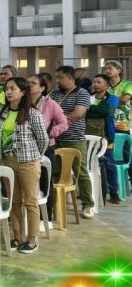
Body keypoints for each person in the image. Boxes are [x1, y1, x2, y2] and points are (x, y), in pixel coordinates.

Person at [0, 77, 49, 254]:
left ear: (23, 91)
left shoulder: (32, 113)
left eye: (12, 88)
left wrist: (35, 157)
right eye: (7, 88)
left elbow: (43, 139)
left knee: (31, 201)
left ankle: (32, 239)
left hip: (28, 162)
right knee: (14, 201)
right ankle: (17, 236)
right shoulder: (4, 111)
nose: (8, 92)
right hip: (7, 161)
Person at [49, 66, 94, 219]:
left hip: (75, 140)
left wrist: (58, 121)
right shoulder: (53, 94)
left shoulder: (82, 93)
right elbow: (46, 114)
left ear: (70, 78)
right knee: (55, 173)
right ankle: (54, 203)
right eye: (56, 77)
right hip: (55, 140)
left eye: (60, 77)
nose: (57, 80)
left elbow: (77, 114)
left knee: (81, 173)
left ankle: (88, 205)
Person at [29, 73, 68, 227]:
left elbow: (63, 123)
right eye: (27, 82)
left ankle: (46, 219)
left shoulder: (50, 104)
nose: (29, 85)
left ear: (42, 88)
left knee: (45, 182)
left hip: (46, 147)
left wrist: (48, 133)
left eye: (33, 83)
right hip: (27, 147)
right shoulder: (22, 102)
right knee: (29, 183)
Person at [87, 74, 122, 204]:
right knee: (89, 164)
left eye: (99, 82)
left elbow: (107, 110)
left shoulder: (112, 98)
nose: (95, 84)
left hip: (106, 137)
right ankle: (90, 192)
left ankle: (114, 193)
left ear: (106, 85)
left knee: (110, 165)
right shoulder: (89, 97)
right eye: (94, 82)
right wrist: (97, 110)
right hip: (88, 136)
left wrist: (89, 108)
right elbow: (83, 113)